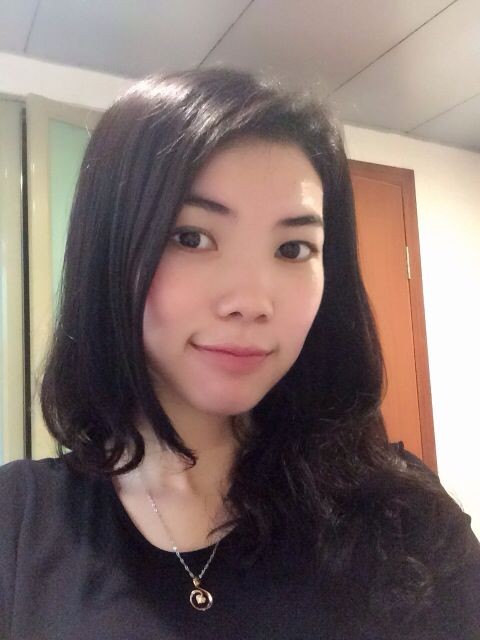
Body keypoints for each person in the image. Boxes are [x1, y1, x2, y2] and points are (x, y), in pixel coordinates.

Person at [0, 67, 478, 640]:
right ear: (109, 253)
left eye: (293, 248)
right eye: (191, 238)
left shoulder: (403, 514)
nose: (251, 302)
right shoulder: (18, 524)